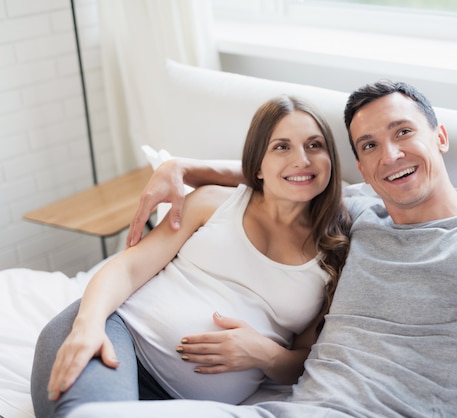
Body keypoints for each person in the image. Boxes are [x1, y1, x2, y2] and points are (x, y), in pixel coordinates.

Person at [69, 56, 457, 418]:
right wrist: (181, 165)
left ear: (439, 137)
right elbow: (290, 175)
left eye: (404, 132)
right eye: (370, 146)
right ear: (359, 167)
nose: (391, 156)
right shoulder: (358, 216)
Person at [30, 95, 352, 418]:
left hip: (192, 405)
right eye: (282, 147)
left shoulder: (335, 252)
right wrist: (88, 326)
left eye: (314, 145)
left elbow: (305, 359)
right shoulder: (214, 202)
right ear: (257, 166)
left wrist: (265, 354)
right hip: (118, 335)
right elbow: (128, 269)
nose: (302, 160)